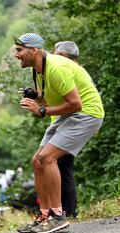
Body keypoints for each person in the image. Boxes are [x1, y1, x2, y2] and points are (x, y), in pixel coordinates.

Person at [14, 33, 104, 233]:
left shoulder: (56, 68)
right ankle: (44, 215)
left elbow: (76, 104)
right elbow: (50, 101)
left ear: (34, 50)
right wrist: (37, 98)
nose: (15, 55)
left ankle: (58, 216)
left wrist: (42, 111)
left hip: (87, 113)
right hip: (70, 114)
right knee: (37, 160)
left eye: (19, 50)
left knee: (47, 158)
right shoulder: (38, 70)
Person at [54, 41, 82, 217]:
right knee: (62, 166)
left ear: (63, 56)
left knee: (63, 166)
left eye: (55, 54)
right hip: (66, 124)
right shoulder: (76, 70)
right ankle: (66, 210)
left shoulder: (69, 71)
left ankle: (68, 211)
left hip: (73, 124)